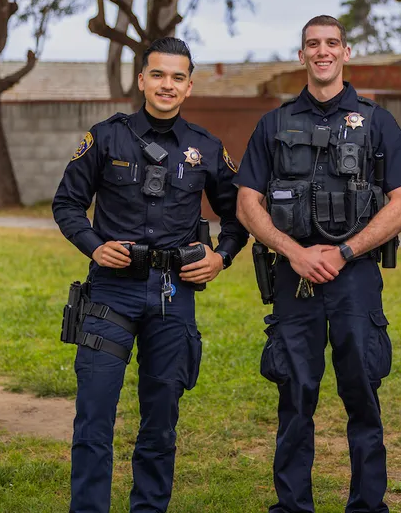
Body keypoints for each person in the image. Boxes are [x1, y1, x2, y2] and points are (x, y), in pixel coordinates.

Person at [52, 36, 248, 513]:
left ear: (189, 86)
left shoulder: (205, 148)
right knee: (94, 418)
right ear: (141, 80)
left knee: (160, 422)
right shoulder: (105, 137)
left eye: (177, 77)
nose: (167, 85)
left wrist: (222, 256)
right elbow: (67, 204)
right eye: (157, 75)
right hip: (109, 296)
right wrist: (96, 248)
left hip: (171, 295)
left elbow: (240, 215)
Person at [235, 15, 401, 513]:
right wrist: (294, 252)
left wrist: (343, 252)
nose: (322, 51)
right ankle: (293, 507)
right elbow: (247, 202)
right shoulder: (274, 124)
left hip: (354, 279)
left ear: (346, 51)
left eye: (331, 43)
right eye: (312, 44)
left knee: (362, 395)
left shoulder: (376, 121)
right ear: (301, 55)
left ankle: (368, 506)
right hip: (293, 281)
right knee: (295, 398)